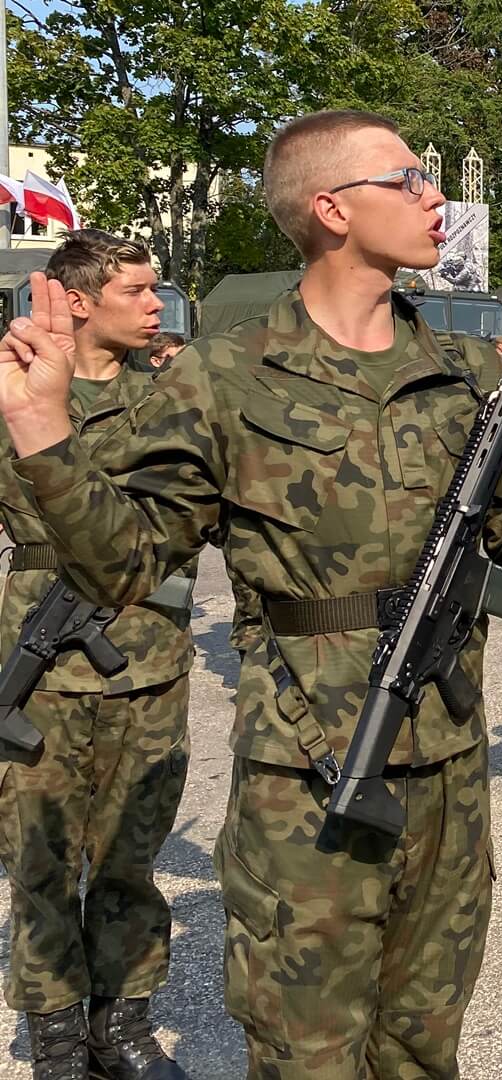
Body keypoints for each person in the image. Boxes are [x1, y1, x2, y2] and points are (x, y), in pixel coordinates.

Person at [0, 110, 502, 1078]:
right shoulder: (223, 375)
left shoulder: (466, 368)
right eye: (410, 178)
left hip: (449, 757)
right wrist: (45, 430)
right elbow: (123, 562)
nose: (435, 200)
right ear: (332, 209)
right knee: (308, 1054)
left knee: (423, 1043)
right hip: (306, 770)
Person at [0, 231, 197, 1080]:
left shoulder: (175, 400)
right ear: (77, 300)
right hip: (37, 667)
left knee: (130, 857)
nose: (159, 305)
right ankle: (55, 1041)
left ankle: (123, 1027)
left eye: (158, 291)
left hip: (146, 660)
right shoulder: (12, 396)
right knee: (39, 859)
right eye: (139, 291)